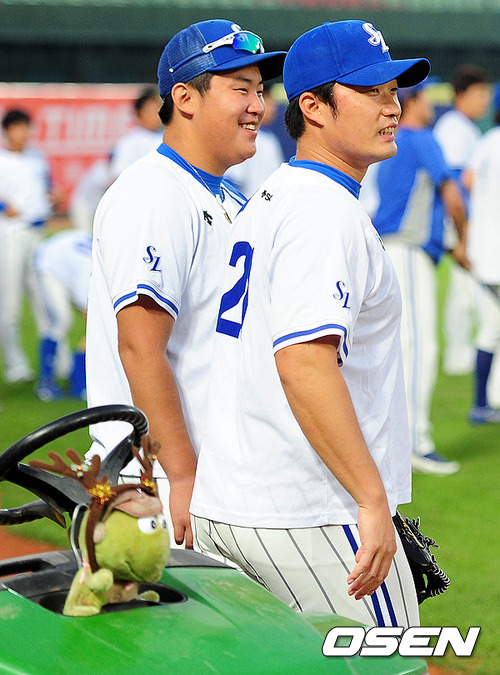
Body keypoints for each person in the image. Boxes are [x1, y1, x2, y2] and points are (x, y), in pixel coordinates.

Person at [190, 20, 430, 627]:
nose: (392, 106)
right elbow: (303, 363)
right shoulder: (324, 212)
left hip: (234, 499)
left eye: (393, 90)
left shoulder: (277, 194)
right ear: (313, 107)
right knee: (389, 661)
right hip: (308, 509)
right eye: (370, 91)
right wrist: (370, 498)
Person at [85, 19, 285, 549]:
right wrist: (184, 474)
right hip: (155, 481)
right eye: (240, 89)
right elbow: (139, 346)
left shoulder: (228, 197)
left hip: (214, 474)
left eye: (260, 90)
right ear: (185, 98)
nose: (257, 106)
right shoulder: (153, 194)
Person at [371, 81, 467, 475]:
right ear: (412, 102)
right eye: (426, 97)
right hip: (407, 252)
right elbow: (453, 197)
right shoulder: (420, 138)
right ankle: (413, 443)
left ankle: (396, 442)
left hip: (386, 248)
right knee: (417, 348)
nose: (430, 105)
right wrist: (463, 244)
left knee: (396, 349)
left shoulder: (389, 143)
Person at [433, 65, 490, 376]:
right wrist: (464, 228)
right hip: (457, 220)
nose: (484, 100)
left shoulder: (466, 127)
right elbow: (454, 183)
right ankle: (458, 355)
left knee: (468, 289)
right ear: (461, 95)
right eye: (479, 94)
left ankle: (462, 353)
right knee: (464, 289)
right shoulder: (454, 127)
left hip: (463, 221)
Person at [0, 109, 53, 384]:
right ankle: (15, 365)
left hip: (37, 232)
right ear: (7, 131)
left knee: (44, 300)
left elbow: (48, 186)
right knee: (10, 304)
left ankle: (53, 361)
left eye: (25, 127)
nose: (22, 133)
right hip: (12, 233)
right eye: (17, 127)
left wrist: (52, 195)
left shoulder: (37, 158)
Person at [462, 82, 500, 424]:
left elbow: (469, 180)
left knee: (490, 328)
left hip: (483, 252)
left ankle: (481, 404)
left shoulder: (487, 141)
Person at [34, 229, 92, 401]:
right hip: (48, 264)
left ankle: (77, 377)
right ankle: (46, 383)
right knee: (62, 321)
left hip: (64, 254)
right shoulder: (89, 272)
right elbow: (91, 324)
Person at [224, 83, 285, 197]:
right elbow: (231, 180)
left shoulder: (270, 138)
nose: (272, 107)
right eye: (266, 98)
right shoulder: (242, 135)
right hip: (244, 204)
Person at [109, 86, 164, 179]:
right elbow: (118, 173)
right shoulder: (129, 142)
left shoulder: (167, 137)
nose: (157, 114)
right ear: (139, 113)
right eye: (151, 110)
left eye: (158, 109)